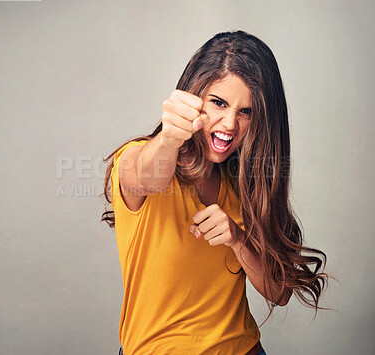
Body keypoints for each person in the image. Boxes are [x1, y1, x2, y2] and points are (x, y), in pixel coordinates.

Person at [101, 30, 329, 355]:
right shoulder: (139, 156)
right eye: (218, 103)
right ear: (195, 96)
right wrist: (168, 139)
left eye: (246, 112)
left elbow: (278, 293)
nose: (230, 124)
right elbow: (145, 178)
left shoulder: (245, 183)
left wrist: (238, 239)